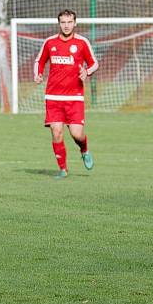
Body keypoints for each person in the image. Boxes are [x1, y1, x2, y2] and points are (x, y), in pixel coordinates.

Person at [34, 9, 99, 178]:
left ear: (75, 23)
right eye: (63, 22)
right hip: (53, 97)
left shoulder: (82, 43)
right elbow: (40, 60)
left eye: (70, 22)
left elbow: (94, 63)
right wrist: (38, 73)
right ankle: (63, 169)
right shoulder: (49, 42)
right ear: (59, 23)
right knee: (56, 132)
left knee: (76, 134)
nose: (66, 25)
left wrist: (87, 72)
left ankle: (84, 149)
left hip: (74, 97)